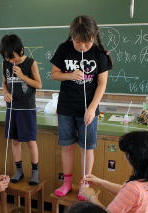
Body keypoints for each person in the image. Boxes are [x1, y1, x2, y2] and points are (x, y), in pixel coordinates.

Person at [50, 15, 112, 199]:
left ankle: (85, 183)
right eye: (78, 42)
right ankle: (67, 182)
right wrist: (69, 75)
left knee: (87, 147)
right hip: (67, 107)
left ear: (94, 37)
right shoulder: (64, 49)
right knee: (67, 146)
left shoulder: (99, 54)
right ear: (72, 36)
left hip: (89, 109)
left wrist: (92, 108)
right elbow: (54, 74)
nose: (83, 46)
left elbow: (102, 84)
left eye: (87, 42)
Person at [81, 131, 148, 213]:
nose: (125, 157)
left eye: (126, 153)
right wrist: (100, 182)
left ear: (135, 158)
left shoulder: (133, 188)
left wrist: (91, 197)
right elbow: (125, 192)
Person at [0, 34, 42, 185]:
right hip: (12, 108)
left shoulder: (30, 63)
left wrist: (23, 76)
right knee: (15, 141)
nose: (11, 61)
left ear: (21, 51)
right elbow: (4, 83)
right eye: (8, 58)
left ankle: (35, 172)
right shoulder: (5, 64)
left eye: (13, 58)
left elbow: (38, 84)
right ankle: (19, 170)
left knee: (31, 141)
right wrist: (5, 93)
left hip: (27, 109)